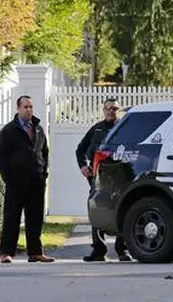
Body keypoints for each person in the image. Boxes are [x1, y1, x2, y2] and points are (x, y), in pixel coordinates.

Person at [0, 95, 55, 264]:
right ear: (18, 108)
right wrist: (8, 178)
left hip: (36, 181)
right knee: (12, 218)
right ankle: (6, 253)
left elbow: (44, 152)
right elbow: (1, 156)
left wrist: (44, 173)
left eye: (31, 107)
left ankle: (35, 252)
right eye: (26, 107)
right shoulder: (9, 130)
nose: (29, 110)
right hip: (16, 182)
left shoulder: (38, 129)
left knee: (35, 218)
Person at [75, 98, 132, 262]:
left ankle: (123, 251)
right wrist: (83, 166)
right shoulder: (96, 129)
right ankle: (99, 251)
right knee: (98, 209)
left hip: (120, 177)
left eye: (114, 108)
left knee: (122, 210)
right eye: (108, 108)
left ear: (118, 111)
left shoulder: (125, 129)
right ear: (103, 110)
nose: (111, 111)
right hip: (98, 178)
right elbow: (80, 150)